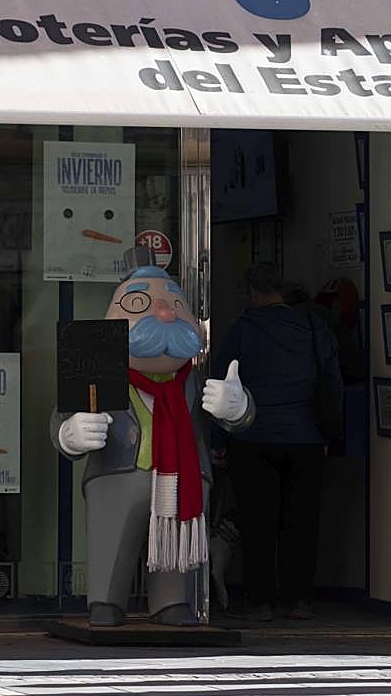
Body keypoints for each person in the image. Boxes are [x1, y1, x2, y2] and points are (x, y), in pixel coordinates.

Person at [52, 249, 254, 626]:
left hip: (183, 477)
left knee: (177, 543)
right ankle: (105, 601)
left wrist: (237, 407)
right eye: (139, 304)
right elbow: (62, 418)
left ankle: (171, 601)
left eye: (176, 303)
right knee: (111, 540)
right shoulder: (98, 372)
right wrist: (70, 433)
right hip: (115, 475)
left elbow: (235, 420)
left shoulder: (193, 380)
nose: (164, 313)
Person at [212, 263, 342, 623]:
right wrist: (330, 434)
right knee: (301, 523)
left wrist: (218, 439)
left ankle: (260, 603)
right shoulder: (314, 327)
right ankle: (299, 600)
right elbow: (332, 382)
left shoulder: (242, 330)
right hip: (307, 439)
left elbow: (222, 388)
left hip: (252, 437)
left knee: (257, 524)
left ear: (253, 293)